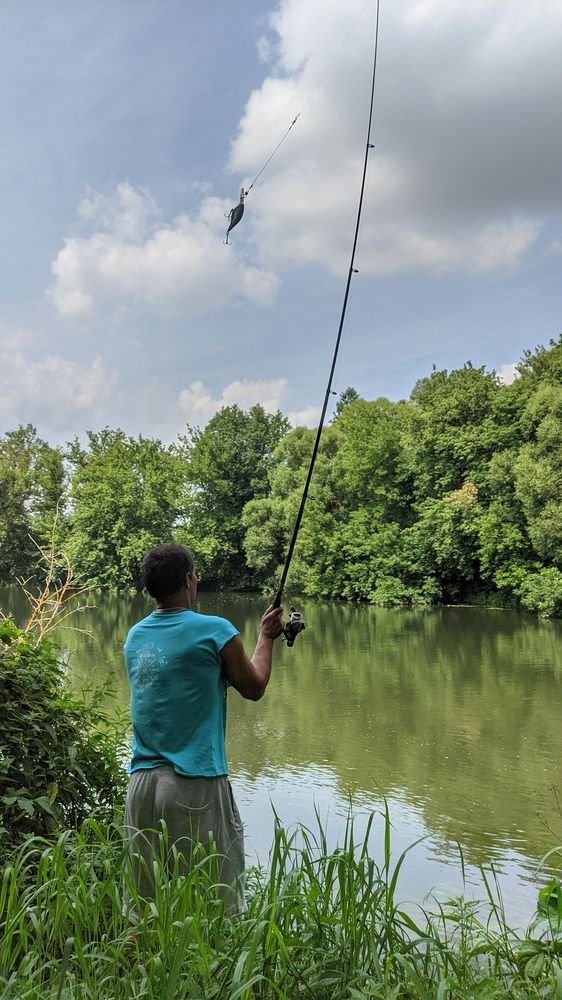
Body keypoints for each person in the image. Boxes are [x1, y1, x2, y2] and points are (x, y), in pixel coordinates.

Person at [123, 542, 284, 913]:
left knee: (145, 905)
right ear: (188, 580)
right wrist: (266, 638)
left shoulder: (135, 637)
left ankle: (139, 967)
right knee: (216, 901)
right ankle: (211, 970)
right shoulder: (214, 631)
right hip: (193, 782)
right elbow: (254, 686)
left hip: (141, 785)